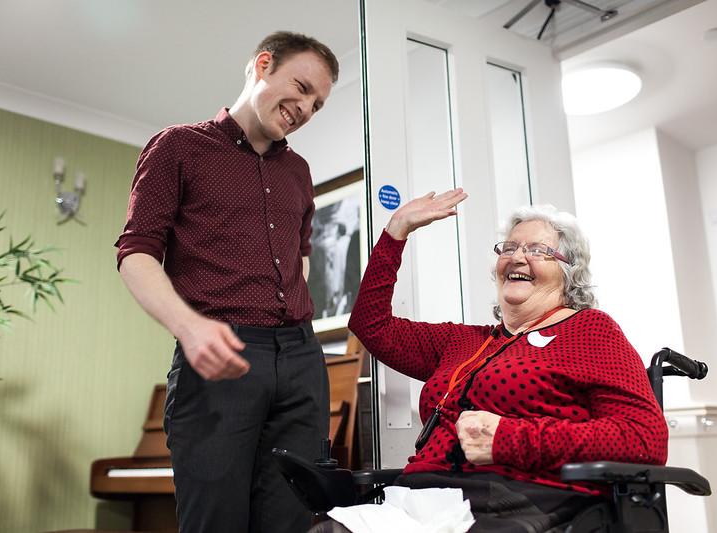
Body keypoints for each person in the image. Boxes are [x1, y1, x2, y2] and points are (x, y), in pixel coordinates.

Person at [318, 189, 668, 532]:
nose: (517, 257)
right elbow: (370, 324)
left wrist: (508, 438)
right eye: (510, 248)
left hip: (520, 503)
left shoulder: (589, 330)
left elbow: (644, 438)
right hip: (421, 500)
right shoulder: (466, 340)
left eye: (537, 250)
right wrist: (397, 231)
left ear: (568, 271)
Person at [115, 31, 339, 533]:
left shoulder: (299, 172)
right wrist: (191, 328)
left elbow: (299, 258)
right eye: (301, 88)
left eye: (317, 104)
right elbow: (135, 252)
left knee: (292, 520)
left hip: (302, 361)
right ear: (262, 65)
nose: (304, 108)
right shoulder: (177, 147)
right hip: (222, 361)